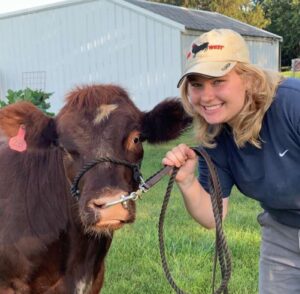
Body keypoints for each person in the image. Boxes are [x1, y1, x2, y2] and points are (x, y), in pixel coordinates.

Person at [162, 28, 300, 294]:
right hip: (281, 231)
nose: (206, 96)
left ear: (247, 78)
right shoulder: (215, 135)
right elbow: (214, 216)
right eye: (197, 84)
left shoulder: (292, 104)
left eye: (218, 81)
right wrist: (188, 182)